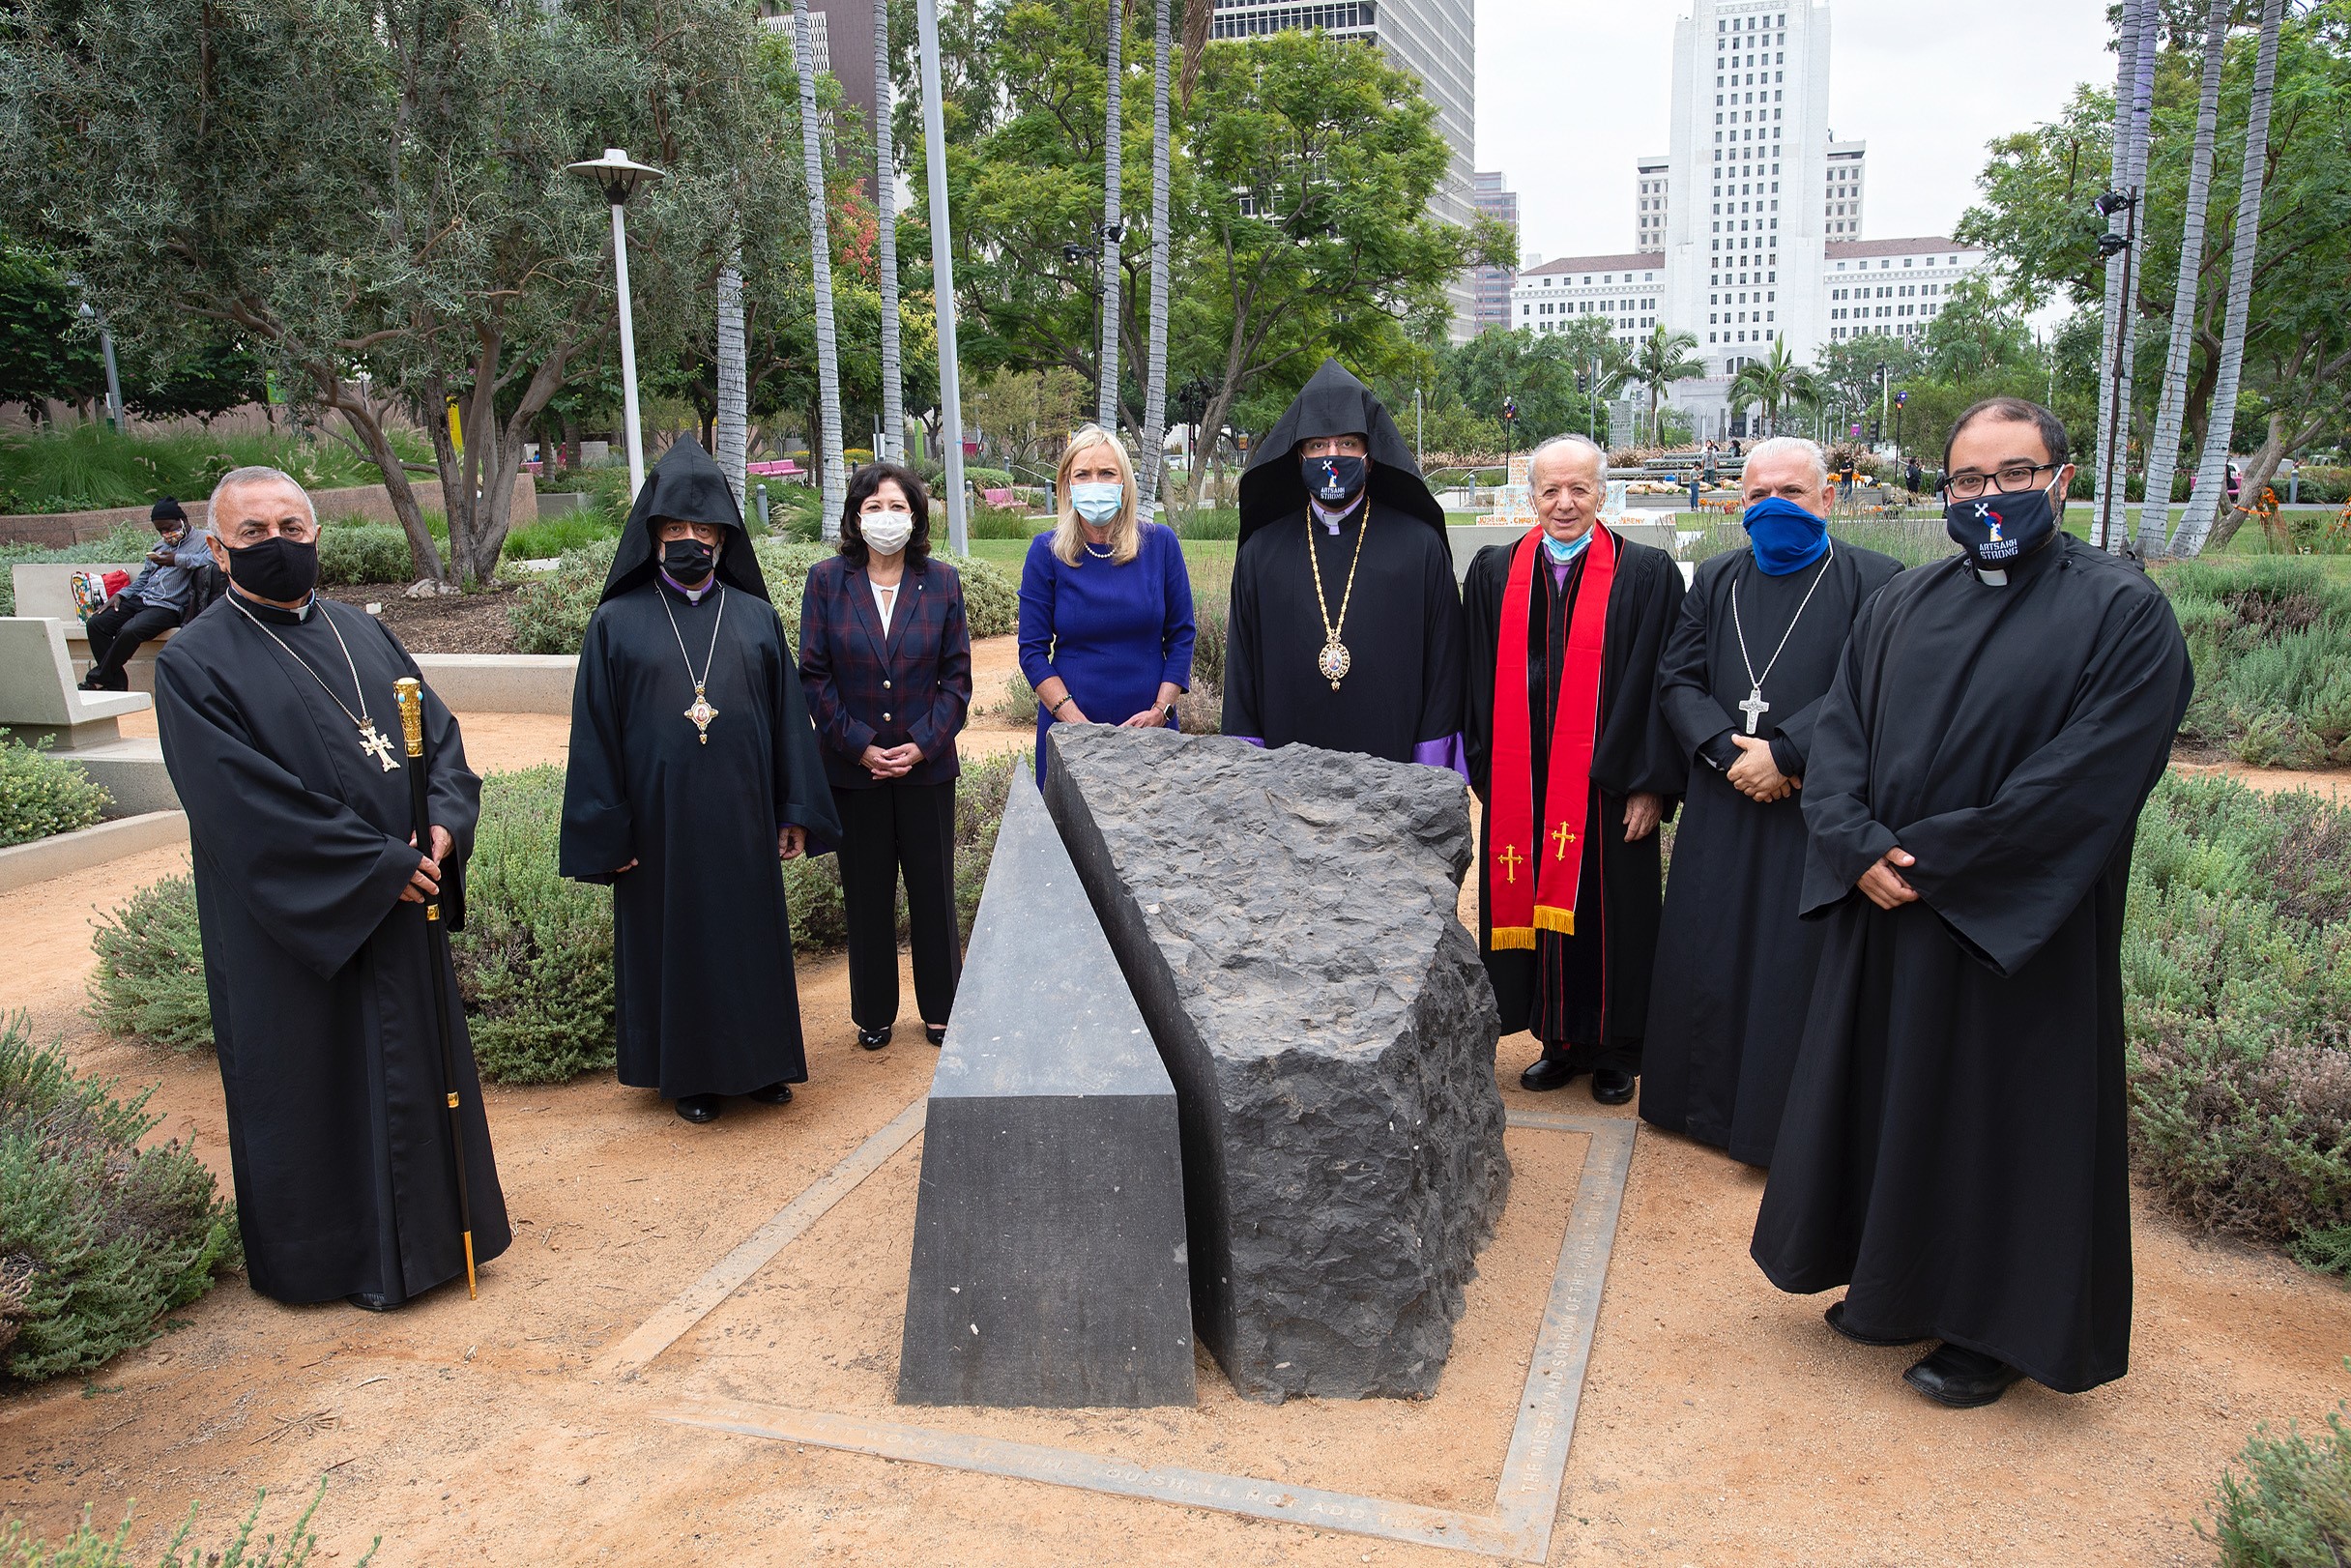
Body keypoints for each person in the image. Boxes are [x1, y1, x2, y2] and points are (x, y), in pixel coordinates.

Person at [1752, 398, 2193, 1408]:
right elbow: (1840, 734)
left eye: (2013, 474)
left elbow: (2088, 774)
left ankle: (1990, 1328)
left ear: (2060, 479)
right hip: (1887, 899)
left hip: (2008, 921)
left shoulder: (2122, 612)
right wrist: (1855, 843)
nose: (1989, 496)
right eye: (1967, 479)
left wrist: (1935, 861)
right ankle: (1890, 1285)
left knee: (1998, 1117)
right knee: (1894, 1094)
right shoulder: (1903, 600)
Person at [152, 466, 508, 1310]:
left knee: (414, 1073)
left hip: (403, 904)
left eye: (291, 528)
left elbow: (441, 743)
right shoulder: (195, 663)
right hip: (291, 933)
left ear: (317, 535)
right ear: (218, 549)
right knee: (316, 1088)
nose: (276, 544)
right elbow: (241, 804)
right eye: (253, 533)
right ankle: (334, 1262)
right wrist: (379, 867)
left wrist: (443, 825)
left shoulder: (364, 633)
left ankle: (433, 1246)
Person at [560, 439, 842, 1124]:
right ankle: (687, 1075)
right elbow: (594, 735)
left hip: (743, 816)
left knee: (749, 937)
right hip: (660, 826)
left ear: (723, 536)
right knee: (677, 939)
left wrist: (793, 809)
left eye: (704, 528)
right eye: (676, 528)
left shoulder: (754, 617)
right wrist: (608, 834)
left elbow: (788, 722)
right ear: (653, 533)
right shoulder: (615, 622)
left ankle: (764, 1064)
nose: (691, 540)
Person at [1639, 438, 1903, 1165]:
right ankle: (1695, 1107)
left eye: (1792, 491)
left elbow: (1876, 684)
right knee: (1711, 949)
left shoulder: (1878, 581)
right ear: (1739, 502)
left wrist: (1787, 753)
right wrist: (1733, 757)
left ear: (1828, 498)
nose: (1774, 505)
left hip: (1815, 806)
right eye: (1758, 494)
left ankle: (1774, 1129)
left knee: (1791, 964)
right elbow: (1678, 678)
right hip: (1725, 800)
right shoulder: (1716, 578)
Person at [1464, 434, 1686, 1106]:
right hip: (1526, 785)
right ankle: (1559, 1041)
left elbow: (1661, 684)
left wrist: (1650, 782)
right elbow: (1475, 676)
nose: (1564, 503)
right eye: (1551, 490)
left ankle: (1617, 1049)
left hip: (1609, 787)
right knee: (1536, 908)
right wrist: (1490, 772)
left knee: (1613, 917)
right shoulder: (1496, 572)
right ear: (1531, 495)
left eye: (1579, 489)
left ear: (1602, 494)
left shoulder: (1645, 574)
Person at [799, 462, 972, 1052]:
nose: (886, 517)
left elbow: (956, 681)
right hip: (855, 772)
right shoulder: (827, 582)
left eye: (898, 506)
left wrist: (922, 744)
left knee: (933, 890)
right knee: (867, 894)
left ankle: (942, 1008)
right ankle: (873, 1011)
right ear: (855, 517)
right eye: (874, 507)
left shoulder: (942, 583)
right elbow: (814, 676)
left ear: (916, 517)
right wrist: (860, 746)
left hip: (928, 770)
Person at [1223, 359, 1466, 766]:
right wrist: (1246, 771)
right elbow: (1241, 681)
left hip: (1396, 783)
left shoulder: (1421, 549)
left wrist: (1430, 774)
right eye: (1318, 445)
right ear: (1299, 456)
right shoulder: (1259, 555)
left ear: (1369, 457)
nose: (1331, 457)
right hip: (1284, 783)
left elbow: (1445, 673)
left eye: (1347, 444)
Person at [1017, 425, 1195, 788]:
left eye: (1107, 473)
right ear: (1067, 484)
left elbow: (1181, 636)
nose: (1094, 482)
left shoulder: (1161, 544)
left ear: (1124, 483)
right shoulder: (1045, 552)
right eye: (1083, 474)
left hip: (1150, 729)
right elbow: (1032, 652)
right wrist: (1075, 722)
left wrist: (1160, 711)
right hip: (1069, 730)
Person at [80, 497, 213, 690]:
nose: (166, 534)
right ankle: (115, 683)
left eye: (169, 528)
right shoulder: (160, 546)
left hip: (169, 606)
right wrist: (121, 595)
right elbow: (143, 579)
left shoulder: (204, 539)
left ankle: (98, 678)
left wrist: (176, 560)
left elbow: (216, 558)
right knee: (96, 623)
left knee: (129, 631)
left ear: (182, 520)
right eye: (161, 531)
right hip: (143, 599)